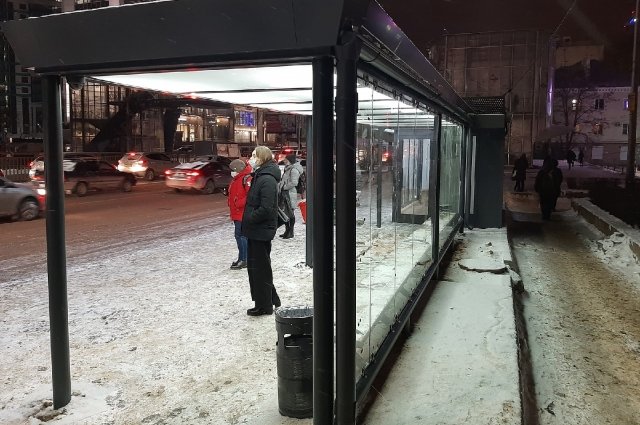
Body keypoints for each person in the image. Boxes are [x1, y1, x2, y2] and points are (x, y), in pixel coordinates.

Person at [241, 146, 282, 316]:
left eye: (253, 156)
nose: (250, 159)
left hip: (260, 231)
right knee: (258, 268)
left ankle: (264, 306)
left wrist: (250, 218)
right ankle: (269, 300)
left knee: (260, 269)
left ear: (262, 158)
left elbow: (266, 208)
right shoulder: (260, 176)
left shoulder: (267, 179)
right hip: (256, 230)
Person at [227, 159, 252, 270]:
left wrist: (238, 203)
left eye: (232, 170)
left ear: (237, 169)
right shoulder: (237, 179)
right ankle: (242, 258)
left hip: (242, 213)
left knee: (241, 236)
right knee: (240, 236)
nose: (231, 172)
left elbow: (250, 195)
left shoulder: (246, 179)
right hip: (237, 212)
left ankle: (244, 259)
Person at [278, 153, 304, 239]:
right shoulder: (288, 168)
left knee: (290, 213)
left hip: (290, 194)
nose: (284, 161)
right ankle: (287, 231)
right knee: (286, 213)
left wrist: (284, 187)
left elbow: (294, 182)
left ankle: (290, 232)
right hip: (286, 193)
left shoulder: (294, 170)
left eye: (286, 160)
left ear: (290, 161)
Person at [534, 156, 563, 221]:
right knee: (549, 203)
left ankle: (545, 215)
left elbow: (538, 181)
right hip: (551, 191)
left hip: (544, 191)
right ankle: (547, 215)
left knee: (544, 203)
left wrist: (537, 188)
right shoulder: (556, 171)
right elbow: (559, 180)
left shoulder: (542, 171)